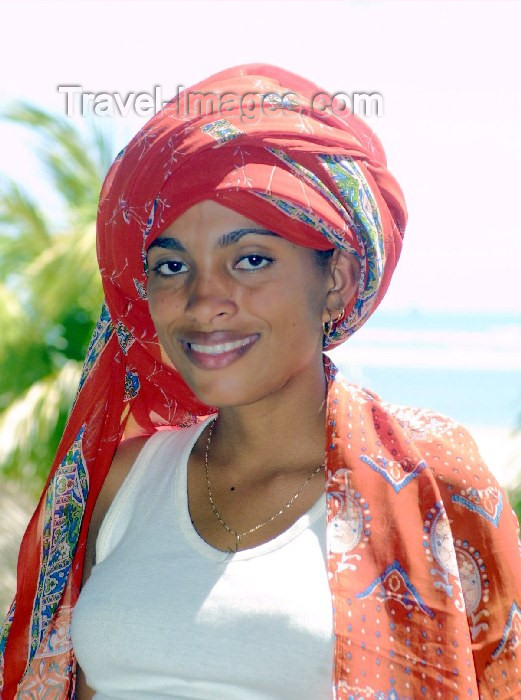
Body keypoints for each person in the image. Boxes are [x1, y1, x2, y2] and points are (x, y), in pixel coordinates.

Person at [1, 63, 520, 700]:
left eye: (251, 259)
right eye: (171, 265)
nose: (204, 298)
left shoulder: (433, 484)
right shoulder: (122, 477)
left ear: (339, 281)